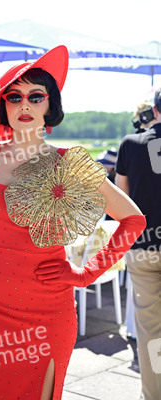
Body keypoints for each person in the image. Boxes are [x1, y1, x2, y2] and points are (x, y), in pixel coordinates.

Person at [0, 46, 146, 400]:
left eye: (36, 96)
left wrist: (88, 272)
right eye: (14, 97)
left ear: (50, 104)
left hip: (49, 309)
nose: (25, 105)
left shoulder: (68, 163)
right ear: (3, 105)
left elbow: (133, 219)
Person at [116, 90, 161, 400]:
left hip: (143, 246)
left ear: (155, 111)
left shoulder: (131, 144)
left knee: (150, 333)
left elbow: (122, 201)